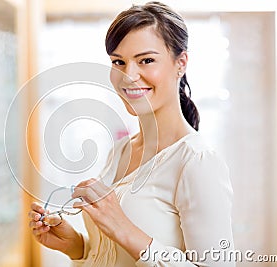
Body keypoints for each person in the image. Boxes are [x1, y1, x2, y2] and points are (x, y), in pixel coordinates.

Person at [29, 1, 235, 266]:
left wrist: (124, 229)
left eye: (146, 60)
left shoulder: (197, 162)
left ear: (180, 63)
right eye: (119, 62)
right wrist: (77, 247)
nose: (129, 76)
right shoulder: (121, 151)